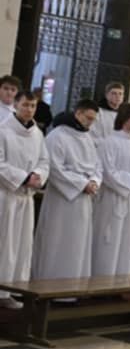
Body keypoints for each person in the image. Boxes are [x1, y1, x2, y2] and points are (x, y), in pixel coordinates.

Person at [31, 97, 100, 281]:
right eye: (88, 118)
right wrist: (82, 184)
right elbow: (54, 168)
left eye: (93, 119)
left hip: (83, 200)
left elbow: (97, 166)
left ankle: (72, 286)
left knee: (77, 244)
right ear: (78, 113)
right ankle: (48, 284)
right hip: (61, 200)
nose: (90, 123)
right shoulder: (57, 136)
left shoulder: (87, 137)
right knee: (57, 242)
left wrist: (94, 181)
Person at [91, 101, 130, 277]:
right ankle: (102, 279)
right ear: (124, 117)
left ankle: (121, 280)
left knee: (127, 242)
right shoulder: (109, 142)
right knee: (109, 241)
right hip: (112, 199)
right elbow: (107, 172)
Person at [0, 90, 48, 299]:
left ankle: (13, 291)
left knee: (22, 246)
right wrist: (24, 177)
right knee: (4, 244)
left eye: (33, 106)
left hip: (26, 197)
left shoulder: (37, 134)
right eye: (25, 105)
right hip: (6, 196)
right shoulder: (3, 131)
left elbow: (45, 161)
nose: (29, 110)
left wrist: (38, 175)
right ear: (16, 105)